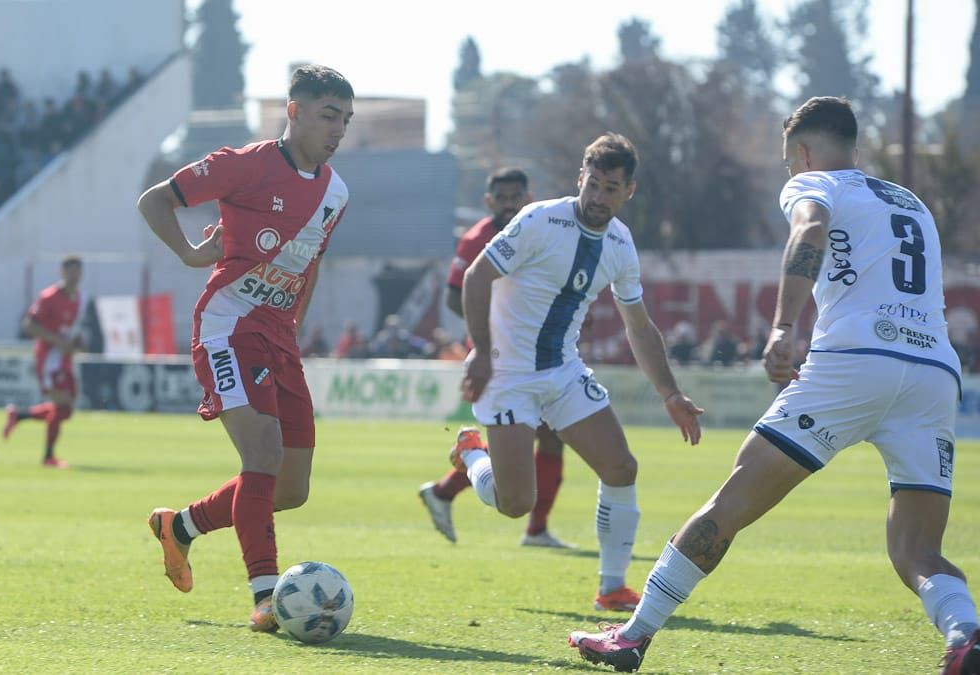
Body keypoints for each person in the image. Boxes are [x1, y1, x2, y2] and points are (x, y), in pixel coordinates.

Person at [568, 98, 979, 674]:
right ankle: (965, 635)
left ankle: (632, 635)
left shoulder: (814, 184)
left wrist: (784, 326)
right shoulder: (911, 202)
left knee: (731, 501)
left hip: (856, 362)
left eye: (789, 162)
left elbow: (810, 229)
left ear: (803, 153)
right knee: (917, 550)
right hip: (934, 372)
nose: (790, 172)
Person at [136, 65, 353, 632]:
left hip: (279, 338)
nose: (338, 130)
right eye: (329, 116)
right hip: (228, 327)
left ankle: (180, 526)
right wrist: (191, 254)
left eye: (346, 120)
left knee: (291, 488)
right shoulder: (243, 164)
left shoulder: (336, 192)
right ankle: (265, 596)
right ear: (294, 112)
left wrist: (294, 325)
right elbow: (155, 201)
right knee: (262, 458)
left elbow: (309, 262)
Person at [457, 134, 704, 613]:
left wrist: (670, 394)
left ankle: (612, 588)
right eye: (593, 184)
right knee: (515, 504)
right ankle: (471, 454)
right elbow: (476, 277)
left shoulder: (620, 243)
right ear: (580, 179)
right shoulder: (539, 219)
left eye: (610, 189)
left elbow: (639, 326)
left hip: (563, 371)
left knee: (621, 467)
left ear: (628, 191)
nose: (598, 197)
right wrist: (482, 352)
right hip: (507, 373)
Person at [418, 167, 578, 549]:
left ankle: (449, 492)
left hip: (536, 351)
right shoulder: (477, 239)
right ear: (489, 202)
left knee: (545, 436)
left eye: (515, 197)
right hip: (499, 355)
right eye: (501, 198)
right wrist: (495, 328)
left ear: (528, 198)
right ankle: (529, 525)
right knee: (528, 433)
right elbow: (454, 296)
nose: (508, 204)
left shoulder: (539, 229)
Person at [1, 255, 85, 468]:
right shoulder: (49, 297)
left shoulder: (78, 298)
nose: (74, 275)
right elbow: (29, 325)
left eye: (77, 271)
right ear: (61, 272)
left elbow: (69, 329)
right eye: (70, 271)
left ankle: (18, 415)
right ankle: (48, 457)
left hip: (64, 358)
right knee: (61, 404)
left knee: (66, 409)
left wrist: (76, 343)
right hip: (49, 358)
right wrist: (57, 341)